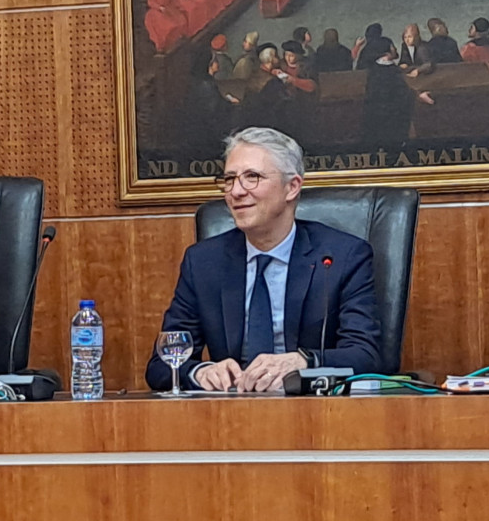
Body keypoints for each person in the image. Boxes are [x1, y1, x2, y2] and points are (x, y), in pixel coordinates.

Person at [145, 127, 382, 392]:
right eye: (230, 179)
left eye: (252, 177)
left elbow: (366, 356)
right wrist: (201, 371)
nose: (236, 191)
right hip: (229, 417)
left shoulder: (343, 257)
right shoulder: (203, 262)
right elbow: (160, 365)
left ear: (292, 187)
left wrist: (302, 361)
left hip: (316, 416)